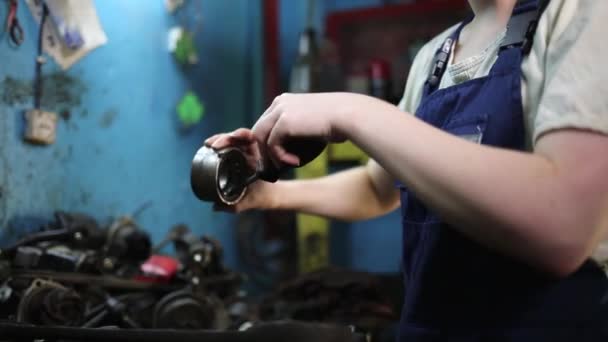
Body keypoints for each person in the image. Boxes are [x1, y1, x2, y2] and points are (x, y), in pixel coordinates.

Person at [206, 0, 608, 340]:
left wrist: (350, 111)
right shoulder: (434, 57)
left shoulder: (584, 15)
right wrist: (265, 195)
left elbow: (564, 224)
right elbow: (375, 187)